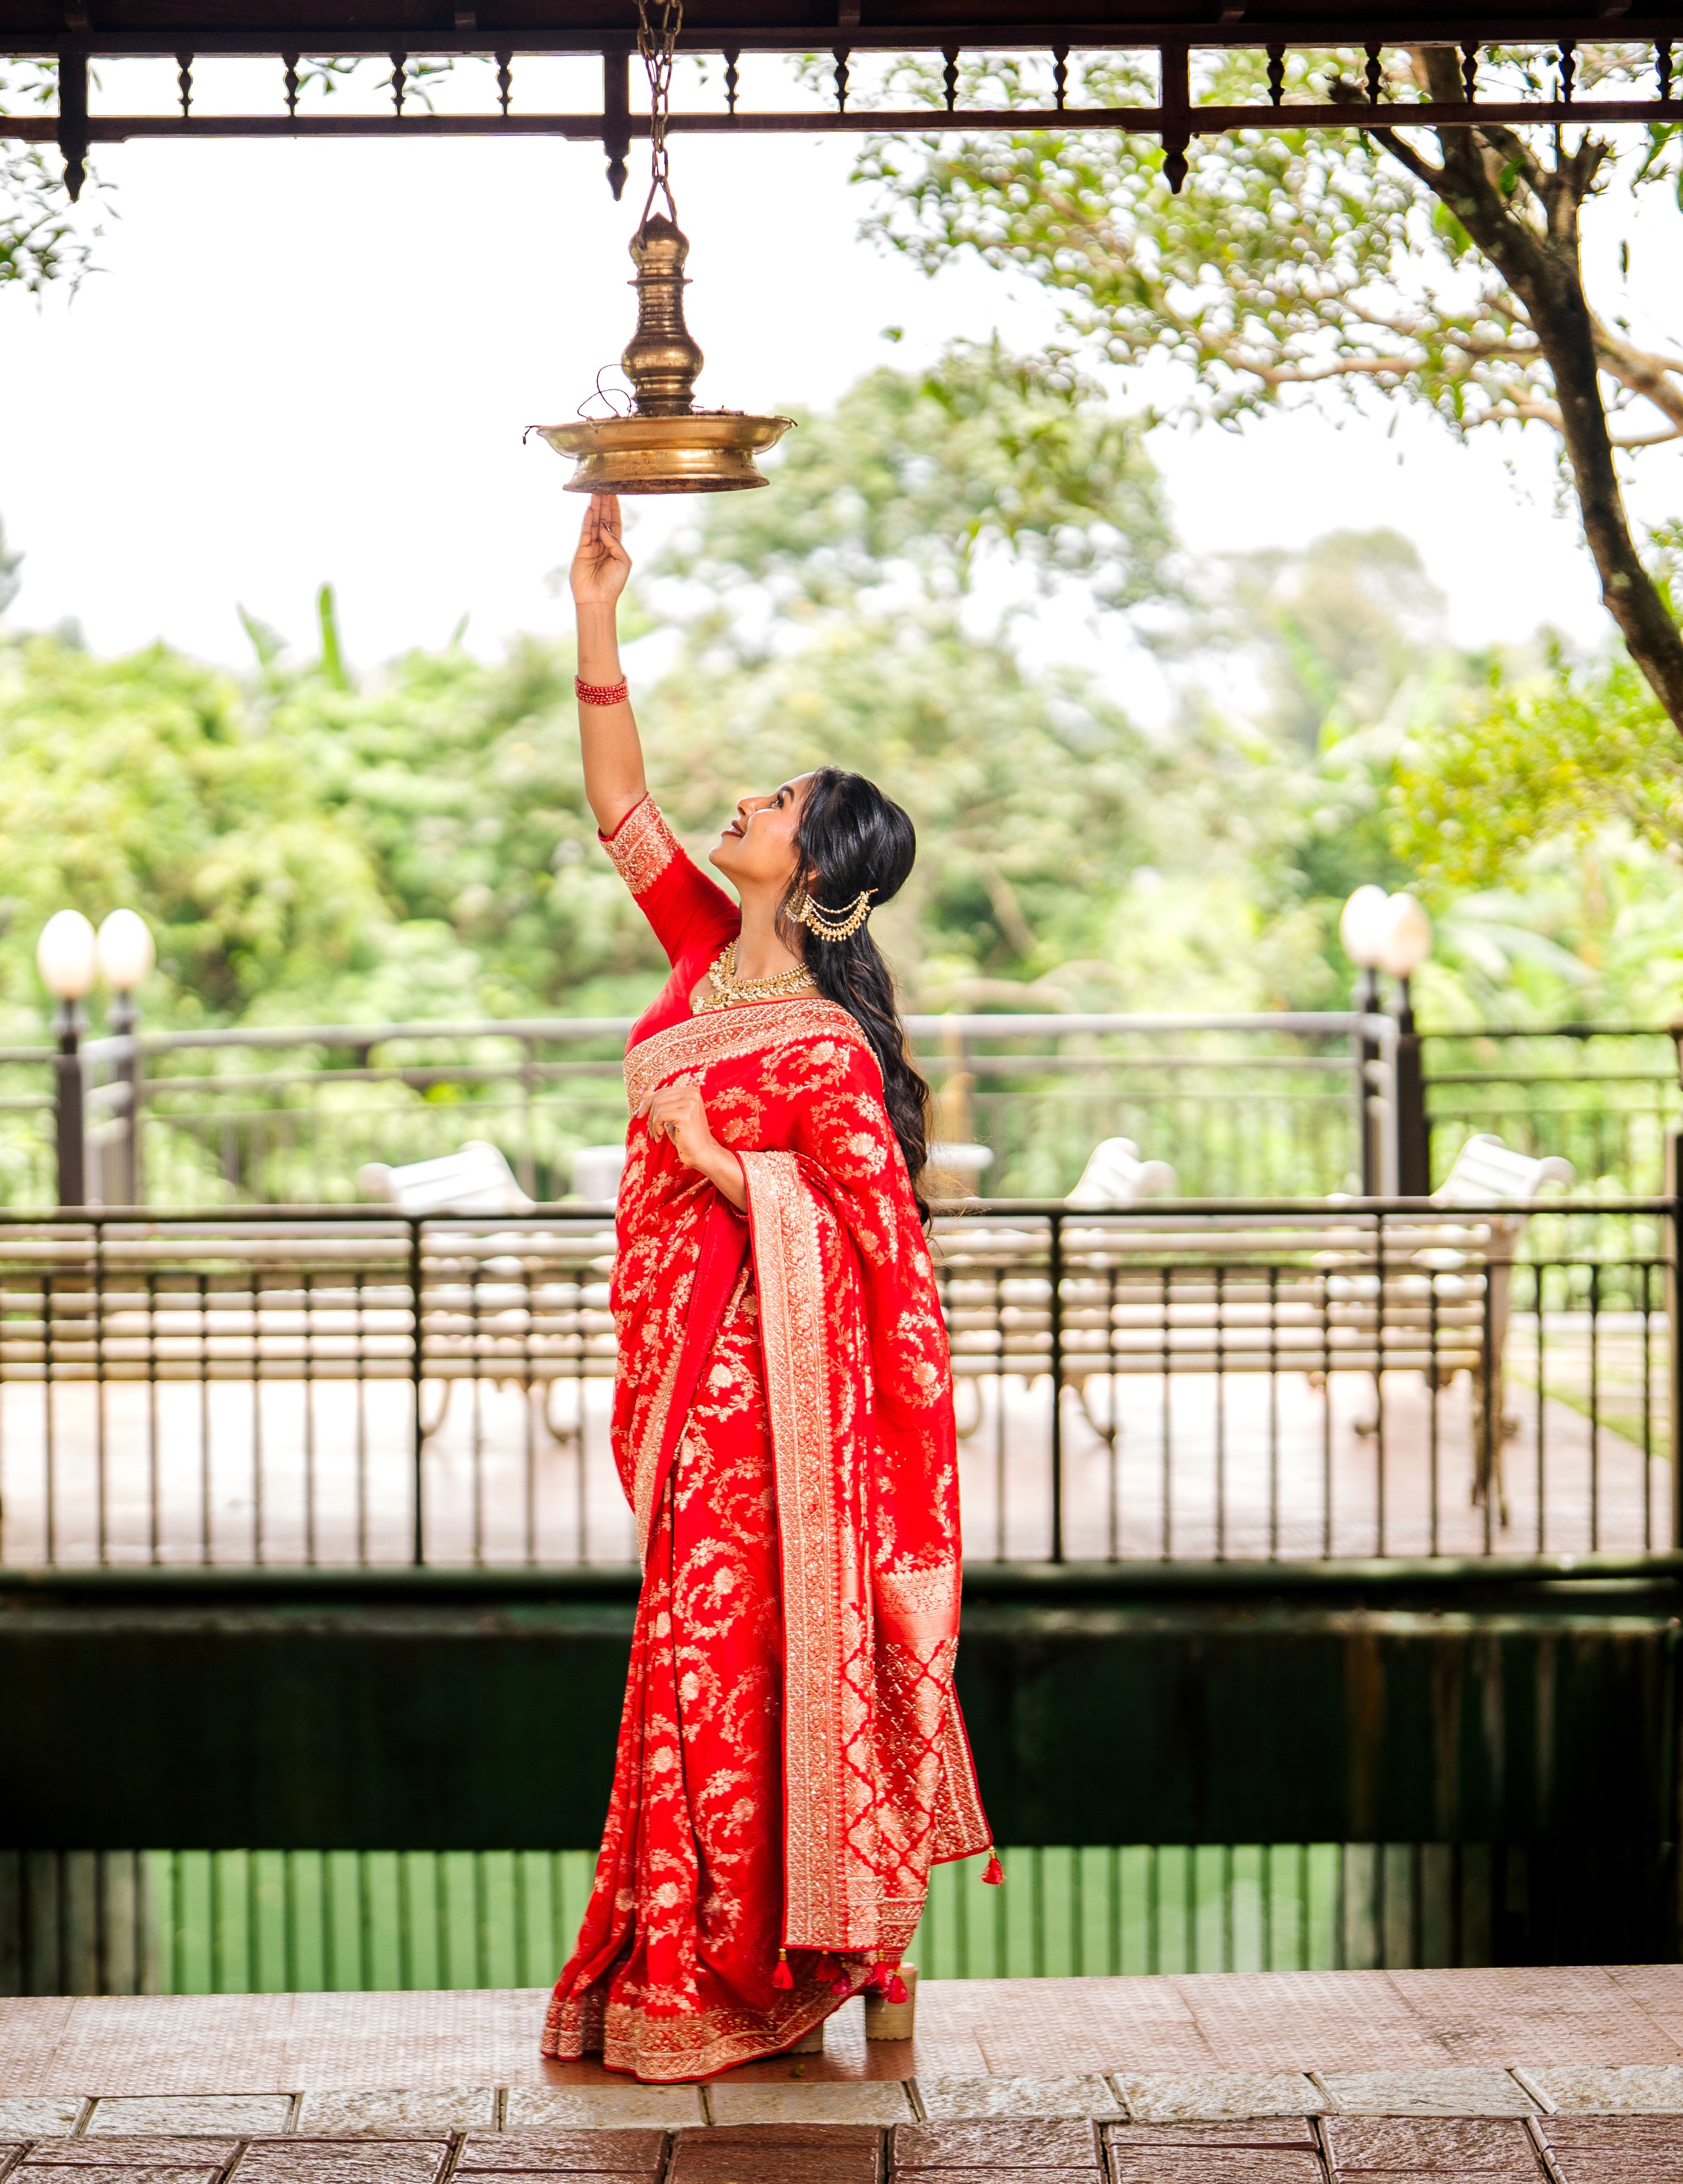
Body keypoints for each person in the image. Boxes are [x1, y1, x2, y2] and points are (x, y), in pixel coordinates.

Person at [542, 491, 994, 2083]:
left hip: (772, 1424)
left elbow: (887, 1258)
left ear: (820, 868)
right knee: (682, 1658)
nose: (748, 798)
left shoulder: (828, 1047)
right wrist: (596, 607)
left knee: (722, 1668)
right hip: (680, 1404)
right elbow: (620, 802)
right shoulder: (694, 950)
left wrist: (731, 1168)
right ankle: (691, 1956)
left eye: (781, 799)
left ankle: (774, 1962)